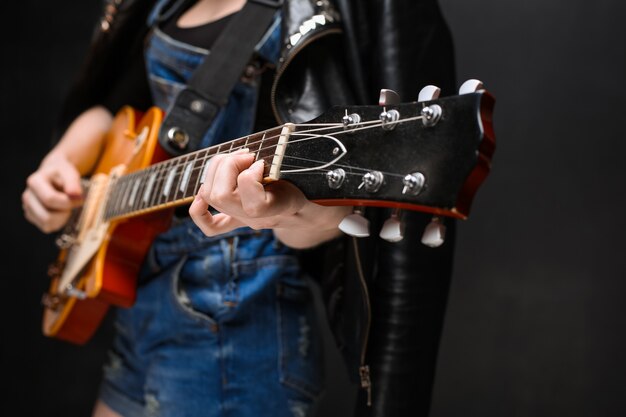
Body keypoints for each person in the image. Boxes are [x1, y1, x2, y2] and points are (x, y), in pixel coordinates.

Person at [22, 0, 457, 416]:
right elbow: (114, 113)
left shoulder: (310, 12)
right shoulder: (165, 3)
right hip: (142, 306)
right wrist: (60, 161)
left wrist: (285, 212)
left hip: (234, 314)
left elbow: (320, 218)